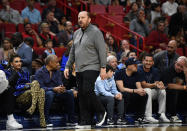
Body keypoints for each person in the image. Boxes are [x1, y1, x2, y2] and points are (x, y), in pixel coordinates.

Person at [64, 11, 107, 126]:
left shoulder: (96, 32)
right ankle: (84, 120)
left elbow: (102, 50)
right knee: (82, 95)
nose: (80, 20)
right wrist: (67, 66)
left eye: (83, 17)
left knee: (87, 90)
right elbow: (72, 51)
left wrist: (103, 67)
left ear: (89, 19)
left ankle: (101, 111)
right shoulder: (76, 33)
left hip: (92, 66)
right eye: (78, 18)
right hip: (78, 68)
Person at [5, 54, 46, 128]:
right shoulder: (8, 72)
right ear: (11, 64)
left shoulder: (25, 72)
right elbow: (10, 86)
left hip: (29, 93)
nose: (19, 63)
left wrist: (29, 86)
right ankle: (34, 110)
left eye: (20, 61)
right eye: (16, 61)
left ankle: (41, 118)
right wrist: (25, 86)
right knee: (35, 83)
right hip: (16, 95)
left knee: (41, 90)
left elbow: (28, 85)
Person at [35, 55, 76, 127]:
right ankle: (46, 120)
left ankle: (71, 120)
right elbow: (40, 88)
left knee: (69, 93)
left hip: (57, 93)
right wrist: (53, 89)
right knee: (50, 93)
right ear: (50, 63)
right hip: (45, 93)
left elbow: (60, 83)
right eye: (57, 62)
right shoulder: (39, 72)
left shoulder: (57, 72)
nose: (58, 64)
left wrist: (61, 88)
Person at [138, 54, 170, 123]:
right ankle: (148, 116)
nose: (148, 63)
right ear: (143, 61)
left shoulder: (155, 70)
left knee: (162, 91)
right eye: (146, 60)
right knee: (148, 90)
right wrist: (155, 84)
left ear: (153, 62)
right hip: (141, 93)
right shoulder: (139, 69)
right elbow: (143, 84)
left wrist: (160, 85)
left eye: (150, 61)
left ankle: (162, 114)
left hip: (151, 92)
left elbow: (156, 82)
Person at [115, 58, 148, 123]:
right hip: (120, 93)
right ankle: (121, 117)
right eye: (135, 65)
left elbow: (139, 87)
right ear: (129, 66)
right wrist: (135, 91)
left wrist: (141, 91)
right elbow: (121, 89)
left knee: (144, 95)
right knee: (125, 94)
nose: (137, 66)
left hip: (132, 93)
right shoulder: (120, 73)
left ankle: (139, 117)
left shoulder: (137, 73)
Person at [160, 56, 187, 123]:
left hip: (180, 95)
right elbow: (169, 86)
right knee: (173, 91)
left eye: (182, 67)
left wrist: (186, 73)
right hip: (167, 94)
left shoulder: (184, 72)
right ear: (175, 62)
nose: (179, 68)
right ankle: (173, 116)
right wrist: (184, 87)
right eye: (178, 65)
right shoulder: (167, 70)